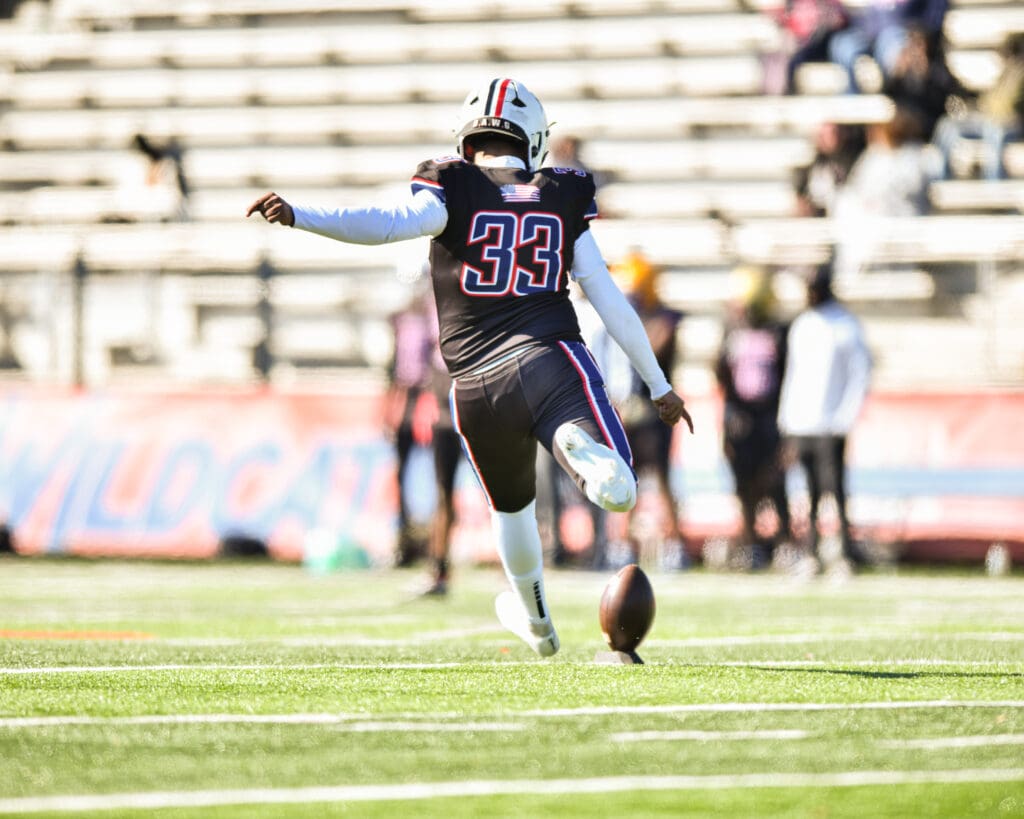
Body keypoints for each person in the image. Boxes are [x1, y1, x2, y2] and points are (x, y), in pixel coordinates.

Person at [247, 77, 693, 657]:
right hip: (547, 356)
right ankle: (575, 446)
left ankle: (537, 623)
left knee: (512, 511)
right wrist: (659, 384)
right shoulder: (561, 191)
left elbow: (384, 223)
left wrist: (299, 213)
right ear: (533, 137)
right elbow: (608, 299)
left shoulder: (450, 185)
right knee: (621, 490)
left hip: (475, 385)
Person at [592, 248, 686, 567]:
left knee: (661, 477)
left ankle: (674, 544)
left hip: (655, 410)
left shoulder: (663, 318)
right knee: (625, 478)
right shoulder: (620, 318)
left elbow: (649, 349)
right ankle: (625, 545)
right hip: (627, 408)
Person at [777, 261, 872, 569]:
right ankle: (812, 551)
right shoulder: (803, 324)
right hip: (802, 422)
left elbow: (859, 373)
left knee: (835, 489)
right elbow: (793, 375)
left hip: (831, 423)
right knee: (809, 491)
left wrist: (846, 417)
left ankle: (844, 550)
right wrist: (787, 418)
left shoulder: (845, 325)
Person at [714, 267, 792, 568]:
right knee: (744, 484)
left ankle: (784, 541)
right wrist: (729, 417)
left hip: (769, 416)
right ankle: (750, 542)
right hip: (741, 418)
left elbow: (786, 377)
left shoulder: (778, 332)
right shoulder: (732, 331)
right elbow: (721, 374)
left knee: (774, 481)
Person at [382, 282, 437, 567]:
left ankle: (434, 541)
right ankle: (405, 537)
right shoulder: (400, 319)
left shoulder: (434, 316)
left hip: (430, 397)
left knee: (439, 474)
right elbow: (393, 369)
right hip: (406, 399)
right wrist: (388, 410)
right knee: (402, 473)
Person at [932, 31, 1024, 181]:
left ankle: (993, 183)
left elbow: (1010, 105)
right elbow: (988, 101)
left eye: (1009, 51)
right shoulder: (1004, 73)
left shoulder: (1019, 75)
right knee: (947, 125)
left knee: (994, 133)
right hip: (989, 118)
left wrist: (992, 110)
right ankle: (940, 177)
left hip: (1010, 123)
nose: (1004, 56)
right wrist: (977, 107)